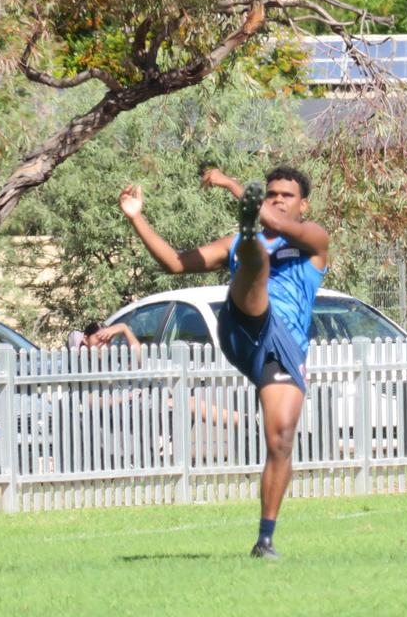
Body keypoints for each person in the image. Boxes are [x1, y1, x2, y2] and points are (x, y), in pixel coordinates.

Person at [119, 166, 328, 559]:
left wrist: (232, 185)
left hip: (283, 350)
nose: (278, 199)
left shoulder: (314, 240)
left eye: (286, 195)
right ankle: (251, 242)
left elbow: (280, 224)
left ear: (304, 204)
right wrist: (137, 217)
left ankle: (265, 540)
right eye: (271, 194)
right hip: (241, 324)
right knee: (257, 266)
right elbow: (174, 264)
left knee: (281, 438)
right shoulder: (233, 243)